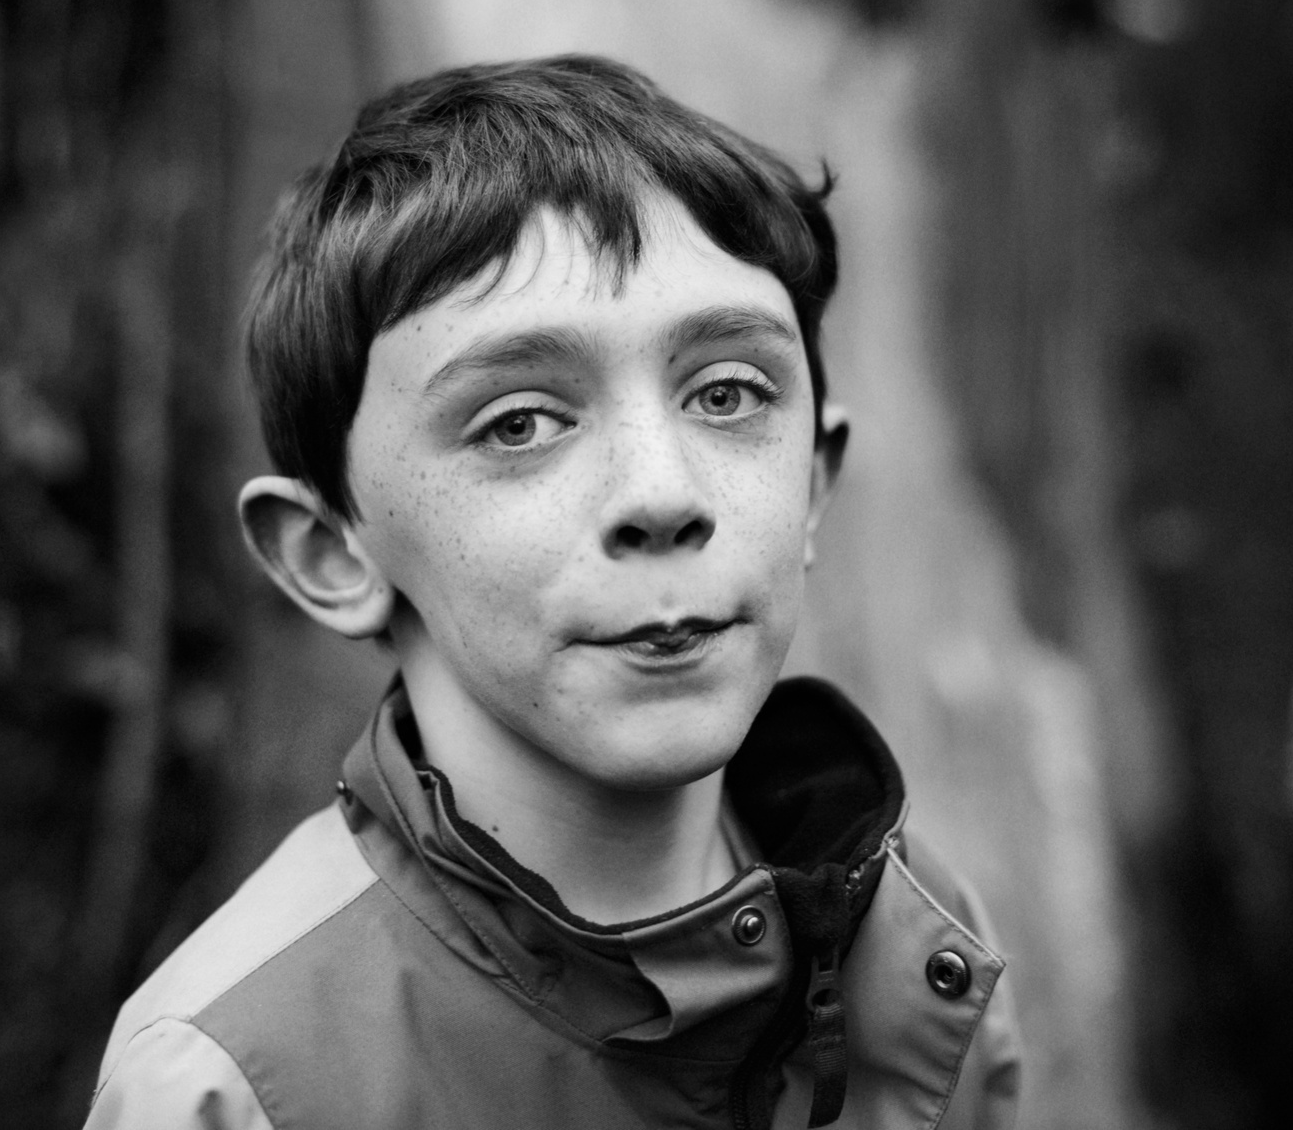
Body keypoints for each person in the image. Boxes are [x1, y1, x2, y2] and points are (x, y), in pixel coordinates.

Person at [83, 55, 1021, 1129]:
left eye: (727, 393)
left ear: (811, 480)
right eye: (520, 422)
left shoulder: (914, 942)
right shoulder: (237, 1084)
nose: (661, 494)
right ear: (331, 554)